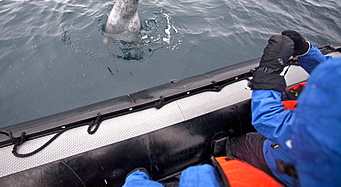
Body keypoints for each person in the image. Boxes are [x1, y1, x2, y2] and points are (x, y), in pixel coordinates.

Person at [122, 31, 341, 186]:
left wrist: (267, 73)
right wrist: (306, 51)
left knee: (211, 170)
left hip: (290, 169)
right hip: (298, 157)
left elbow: (268, 120)